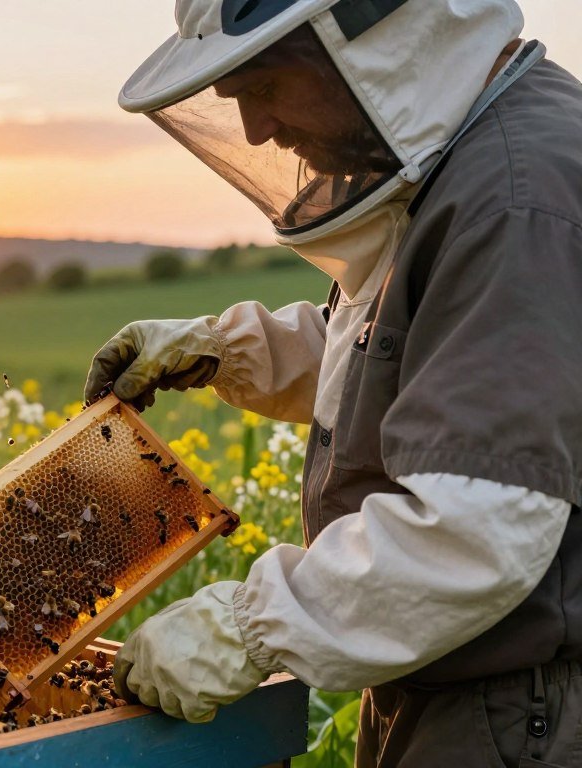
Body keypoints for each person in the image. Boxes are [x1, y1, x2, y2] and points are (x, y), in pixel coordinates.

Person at [88, 1, 582, 765]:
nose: (255, 131)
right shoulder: (472, 157)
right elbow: (413, 350)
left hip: (523, 711)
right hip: (472, 688)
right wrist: (228, 349)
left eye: (264, 85)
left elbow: (479, 526)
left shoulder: (514, 196)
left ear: (370, 40)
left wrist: (250, 627)